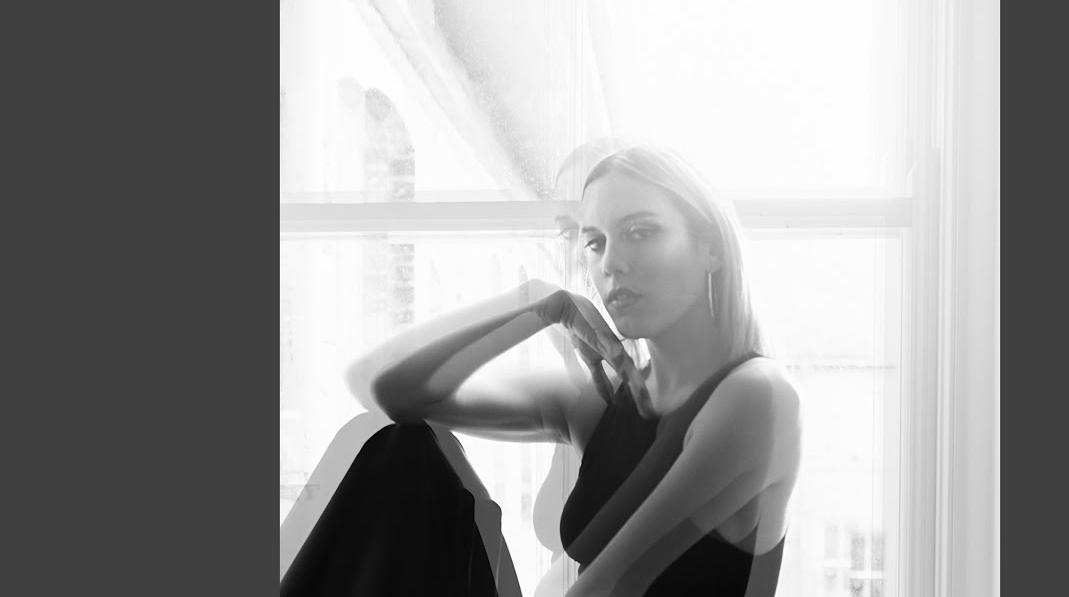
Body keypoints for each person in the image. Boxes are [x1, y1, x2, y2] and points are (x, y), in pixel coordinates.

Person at [282, 143, 802, 596]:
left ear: (712, 248)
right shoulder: (601, 401)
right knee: (403, 450)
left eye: (640, 232)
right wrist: (535, 304)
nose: (610, 263)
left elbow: (612, 585)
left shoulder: (758, 395)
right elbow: (387, 388)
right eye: (594, 242)